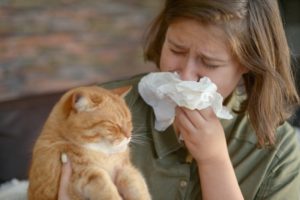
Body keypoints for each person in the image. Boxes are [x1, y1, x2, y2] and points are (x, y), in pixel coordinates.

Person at [58, 0, 300, 199]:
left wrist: (213, 161)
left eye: (209, 63)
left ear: (248, 63)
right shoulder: (99, 113)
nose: (184, 76)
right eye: (176, 50)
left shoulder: (279, 154)